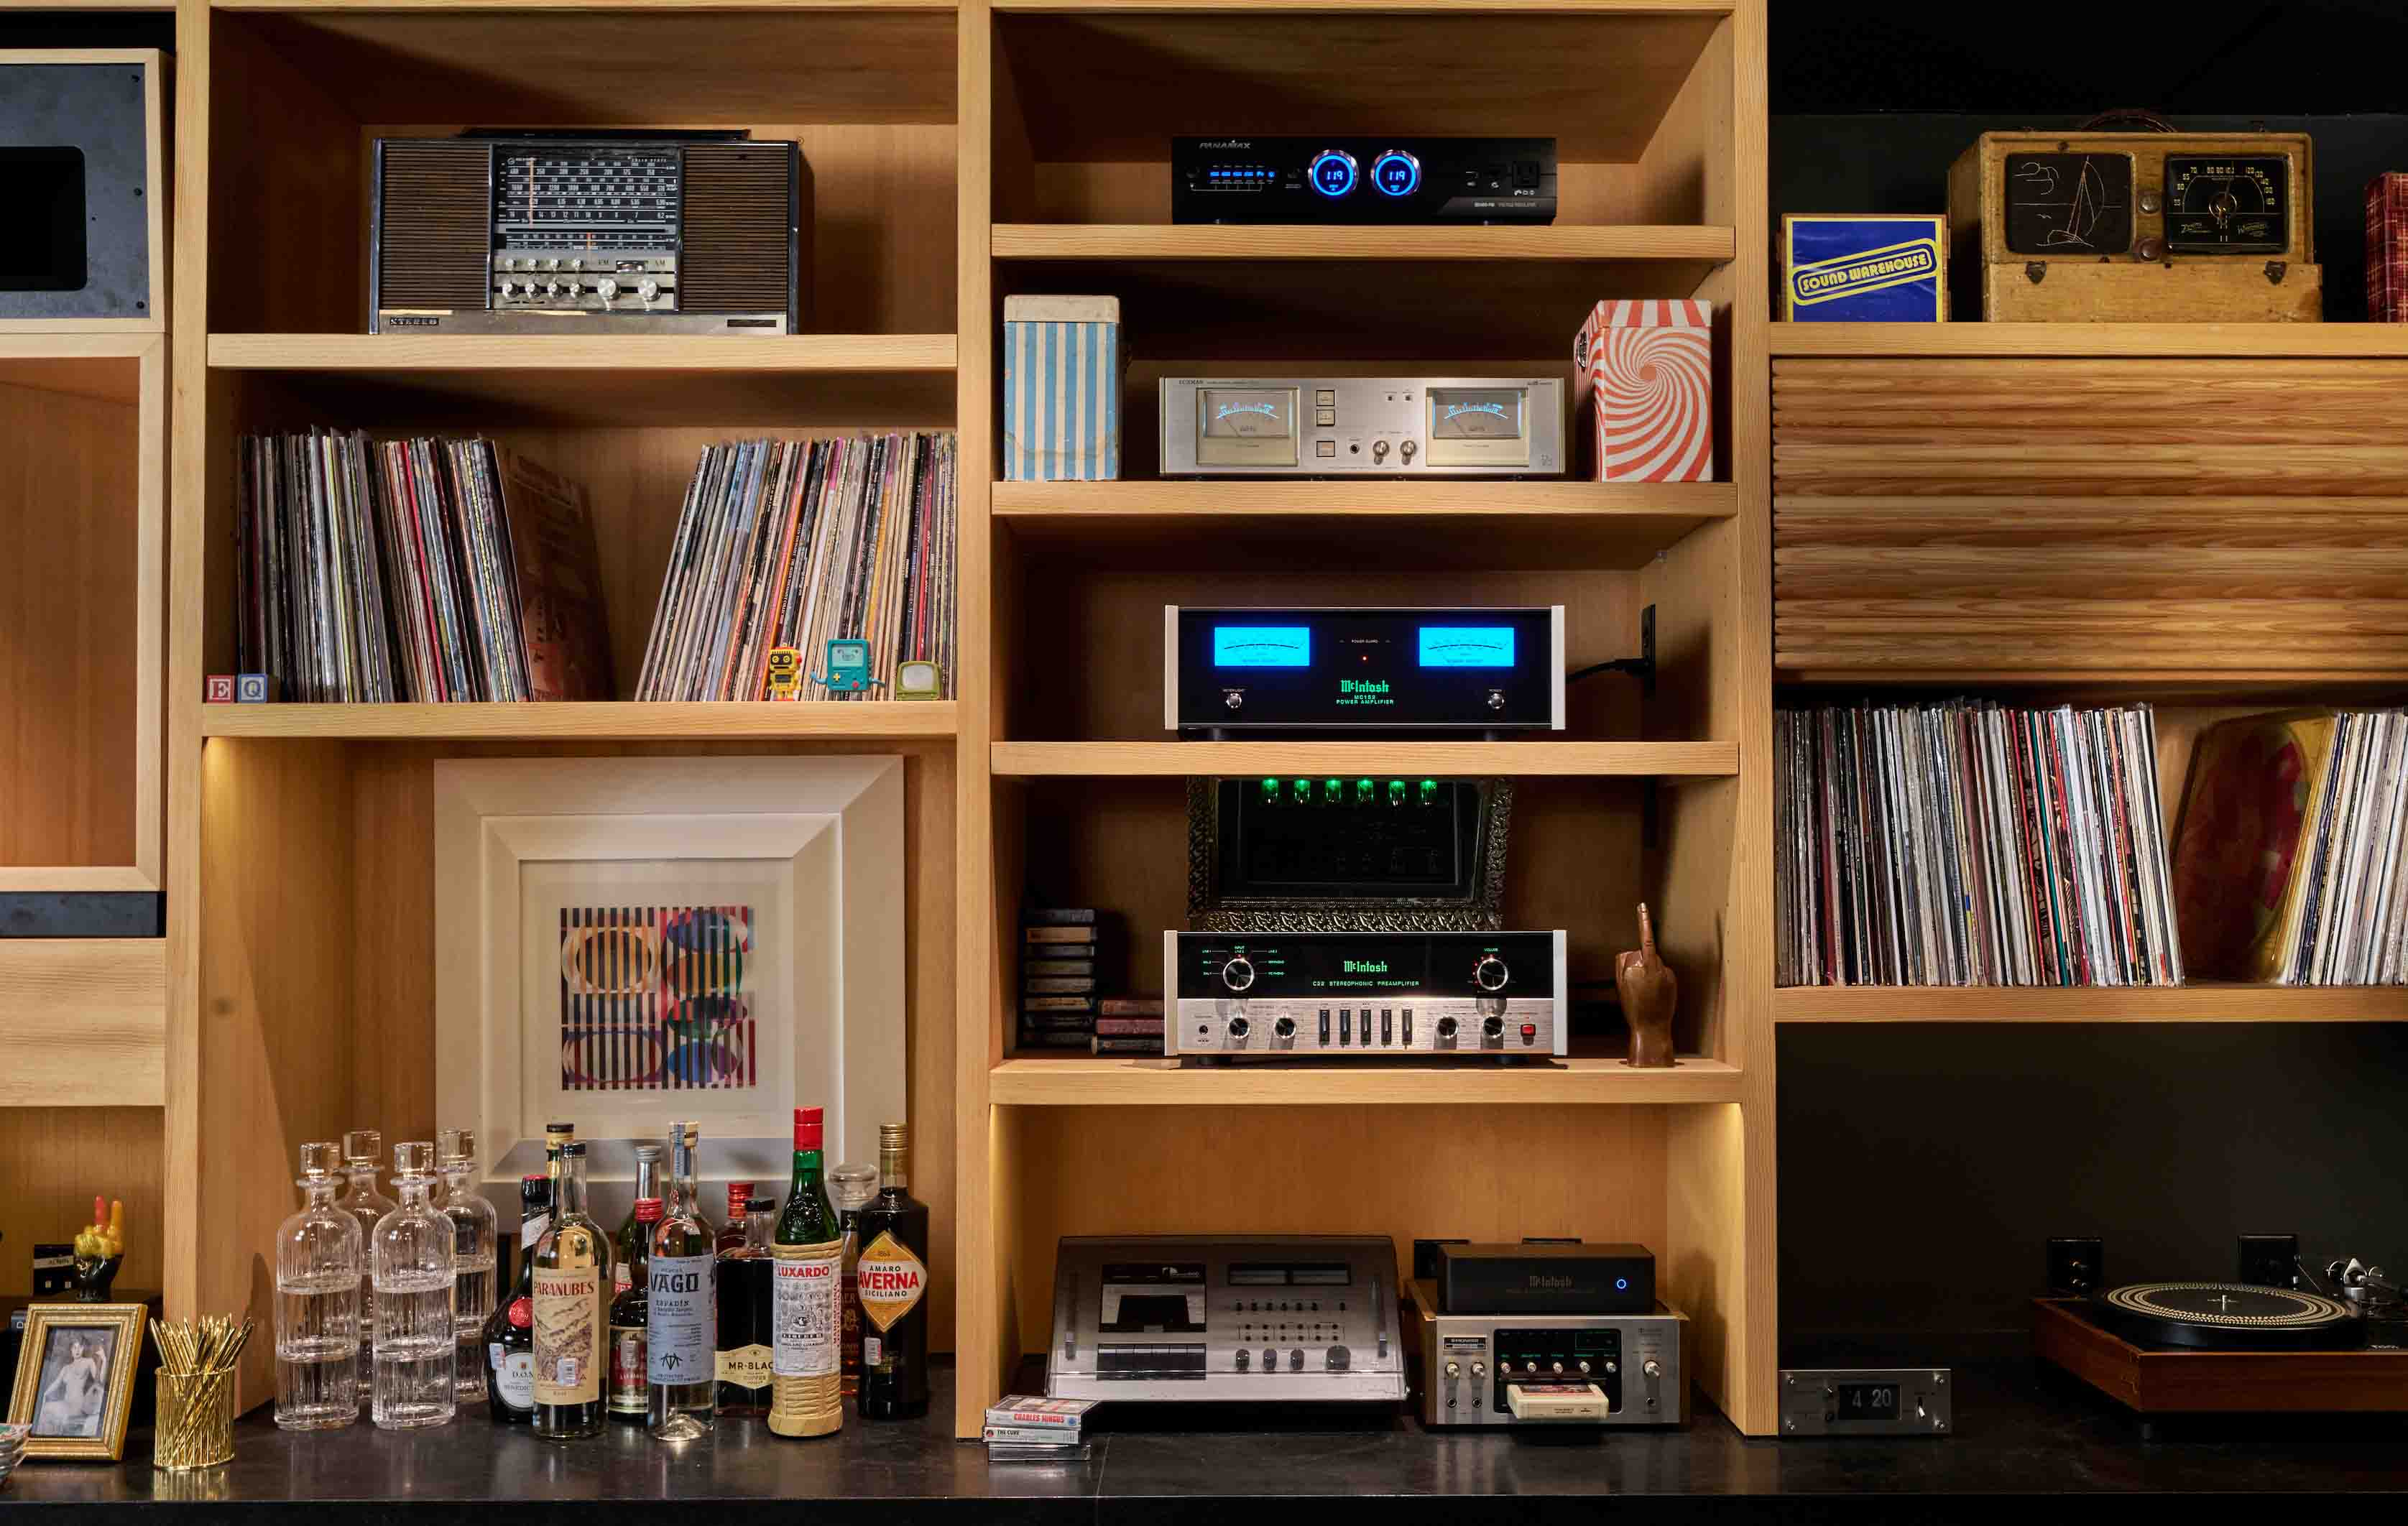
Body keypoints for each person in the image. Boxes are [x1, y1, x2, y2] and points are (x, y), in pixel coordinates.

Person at [34, 1334, 106, 1438]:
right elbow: (56, 1383)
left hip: (77, 1405)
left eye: (80, 1347)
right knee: (45, 1410)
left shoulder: (88, 1362)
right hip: (66, 1403)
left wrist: (104, 1360)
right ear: (71, 1350)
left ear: (83, 1348)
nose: (77, 1350)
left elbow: (100, 1380)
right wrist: (44, 1394)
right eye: (74, 1347)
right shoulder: (66, 1368)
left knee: (55, 1413)